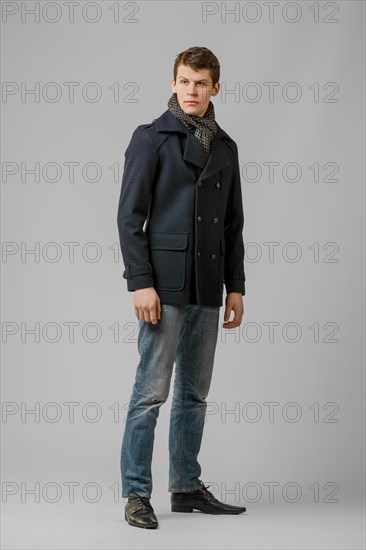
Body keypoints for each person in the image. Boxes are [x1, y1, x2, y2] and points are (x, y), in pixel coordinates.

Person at [116, 46, 247, 529]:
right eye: (184, 81)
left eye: (201, 83)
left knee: (195, 394)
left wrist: (237, 286)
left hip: (209, 285)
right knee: (150, 394)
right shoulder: (150, 139)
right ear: (172, 83)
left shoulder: (227, 147)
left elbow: (233, 224)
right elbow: (129, 218)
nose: (191, 91)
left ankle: (187, 487)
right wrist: (140, 282)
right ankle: (135, 494)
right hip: (164, 287)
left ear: (215, 87)